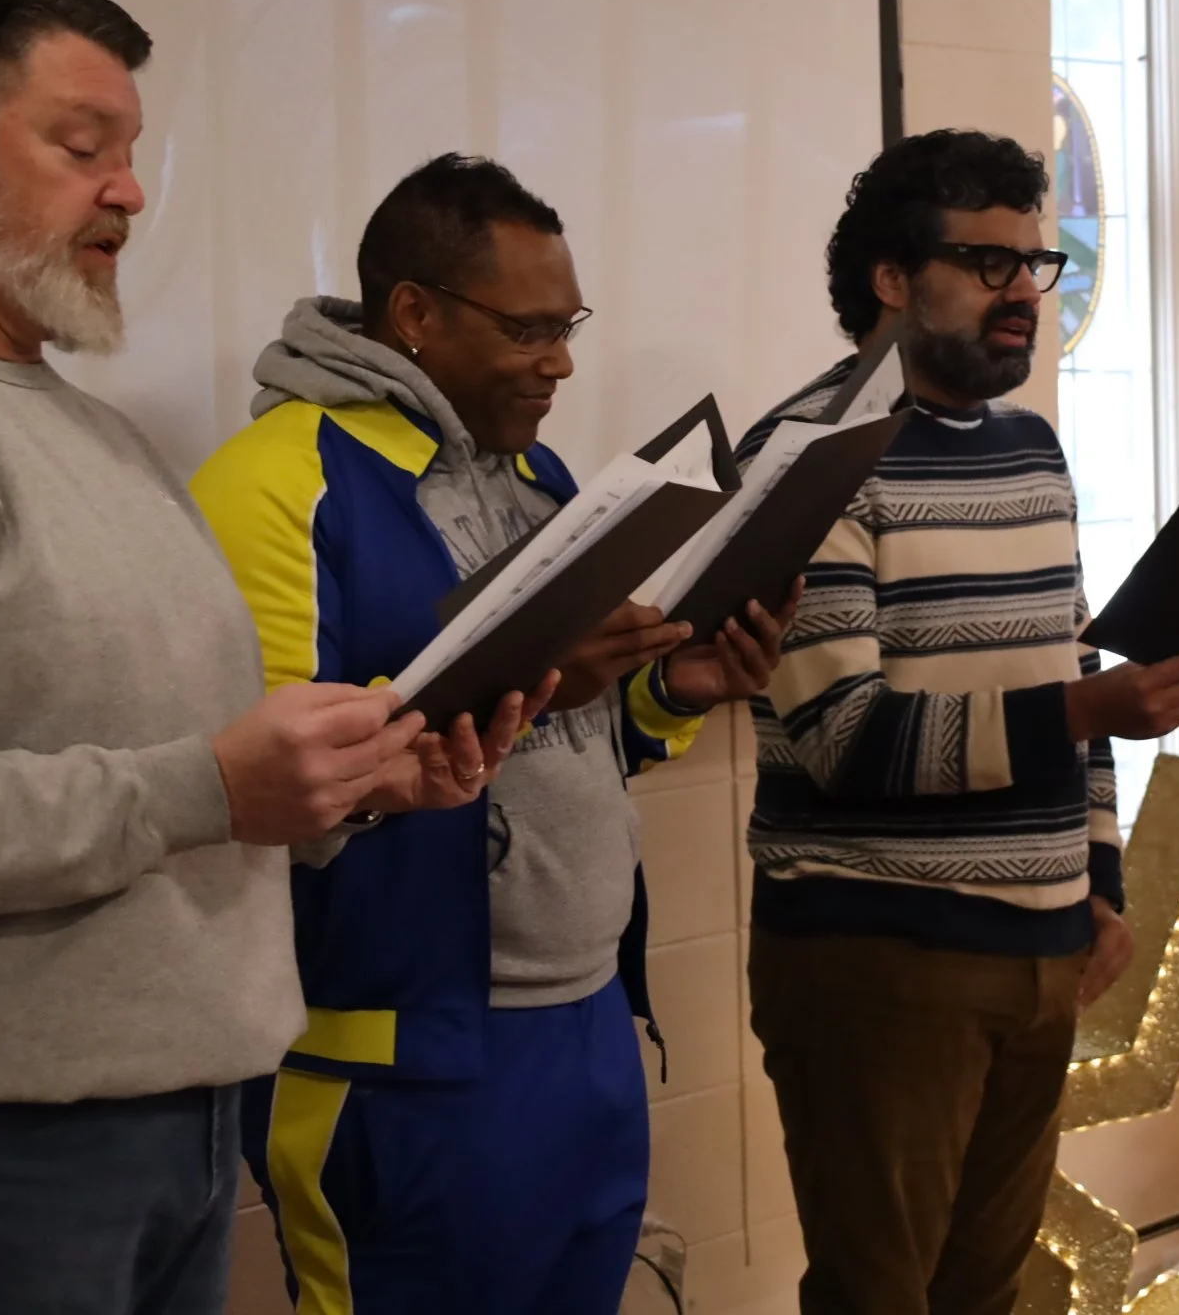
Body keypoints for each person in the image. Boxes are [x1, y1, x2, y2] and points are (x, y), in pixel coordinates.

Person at [0, 0, 546, 1315]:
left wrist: (348, 789)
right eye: (84, 148)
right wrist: (207, 787)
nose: (130, 192)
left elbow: (172, 780)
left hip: (174, 1127)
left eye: (131, 154)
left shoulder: (91, 433)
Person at [191, 152, 789, 1314]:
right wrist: (532, 684)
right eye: (528, 330)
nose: (560, 361)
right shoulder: (278, 483)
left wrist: (671, 692)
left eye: (568, 327)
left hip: (588, 1024)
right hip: (400, 1059)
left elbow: (579, 739)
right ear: (415, 313)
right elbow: (267, 803)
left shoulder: (541, 476)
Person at [741, 129, 1179, 1315]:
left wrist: (1097, 879)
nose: (1024, 292)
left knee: (988, 1296)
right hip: (880, 953)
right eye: (988, 264)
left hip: (1040, 946)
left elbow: (1074, 658)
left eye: (1037, 262)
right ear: (893, 279)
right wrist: (1087, 706)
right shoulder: (810, 456)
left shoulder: (1030, 446)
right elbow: (845, 738)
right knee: (879, 1296)